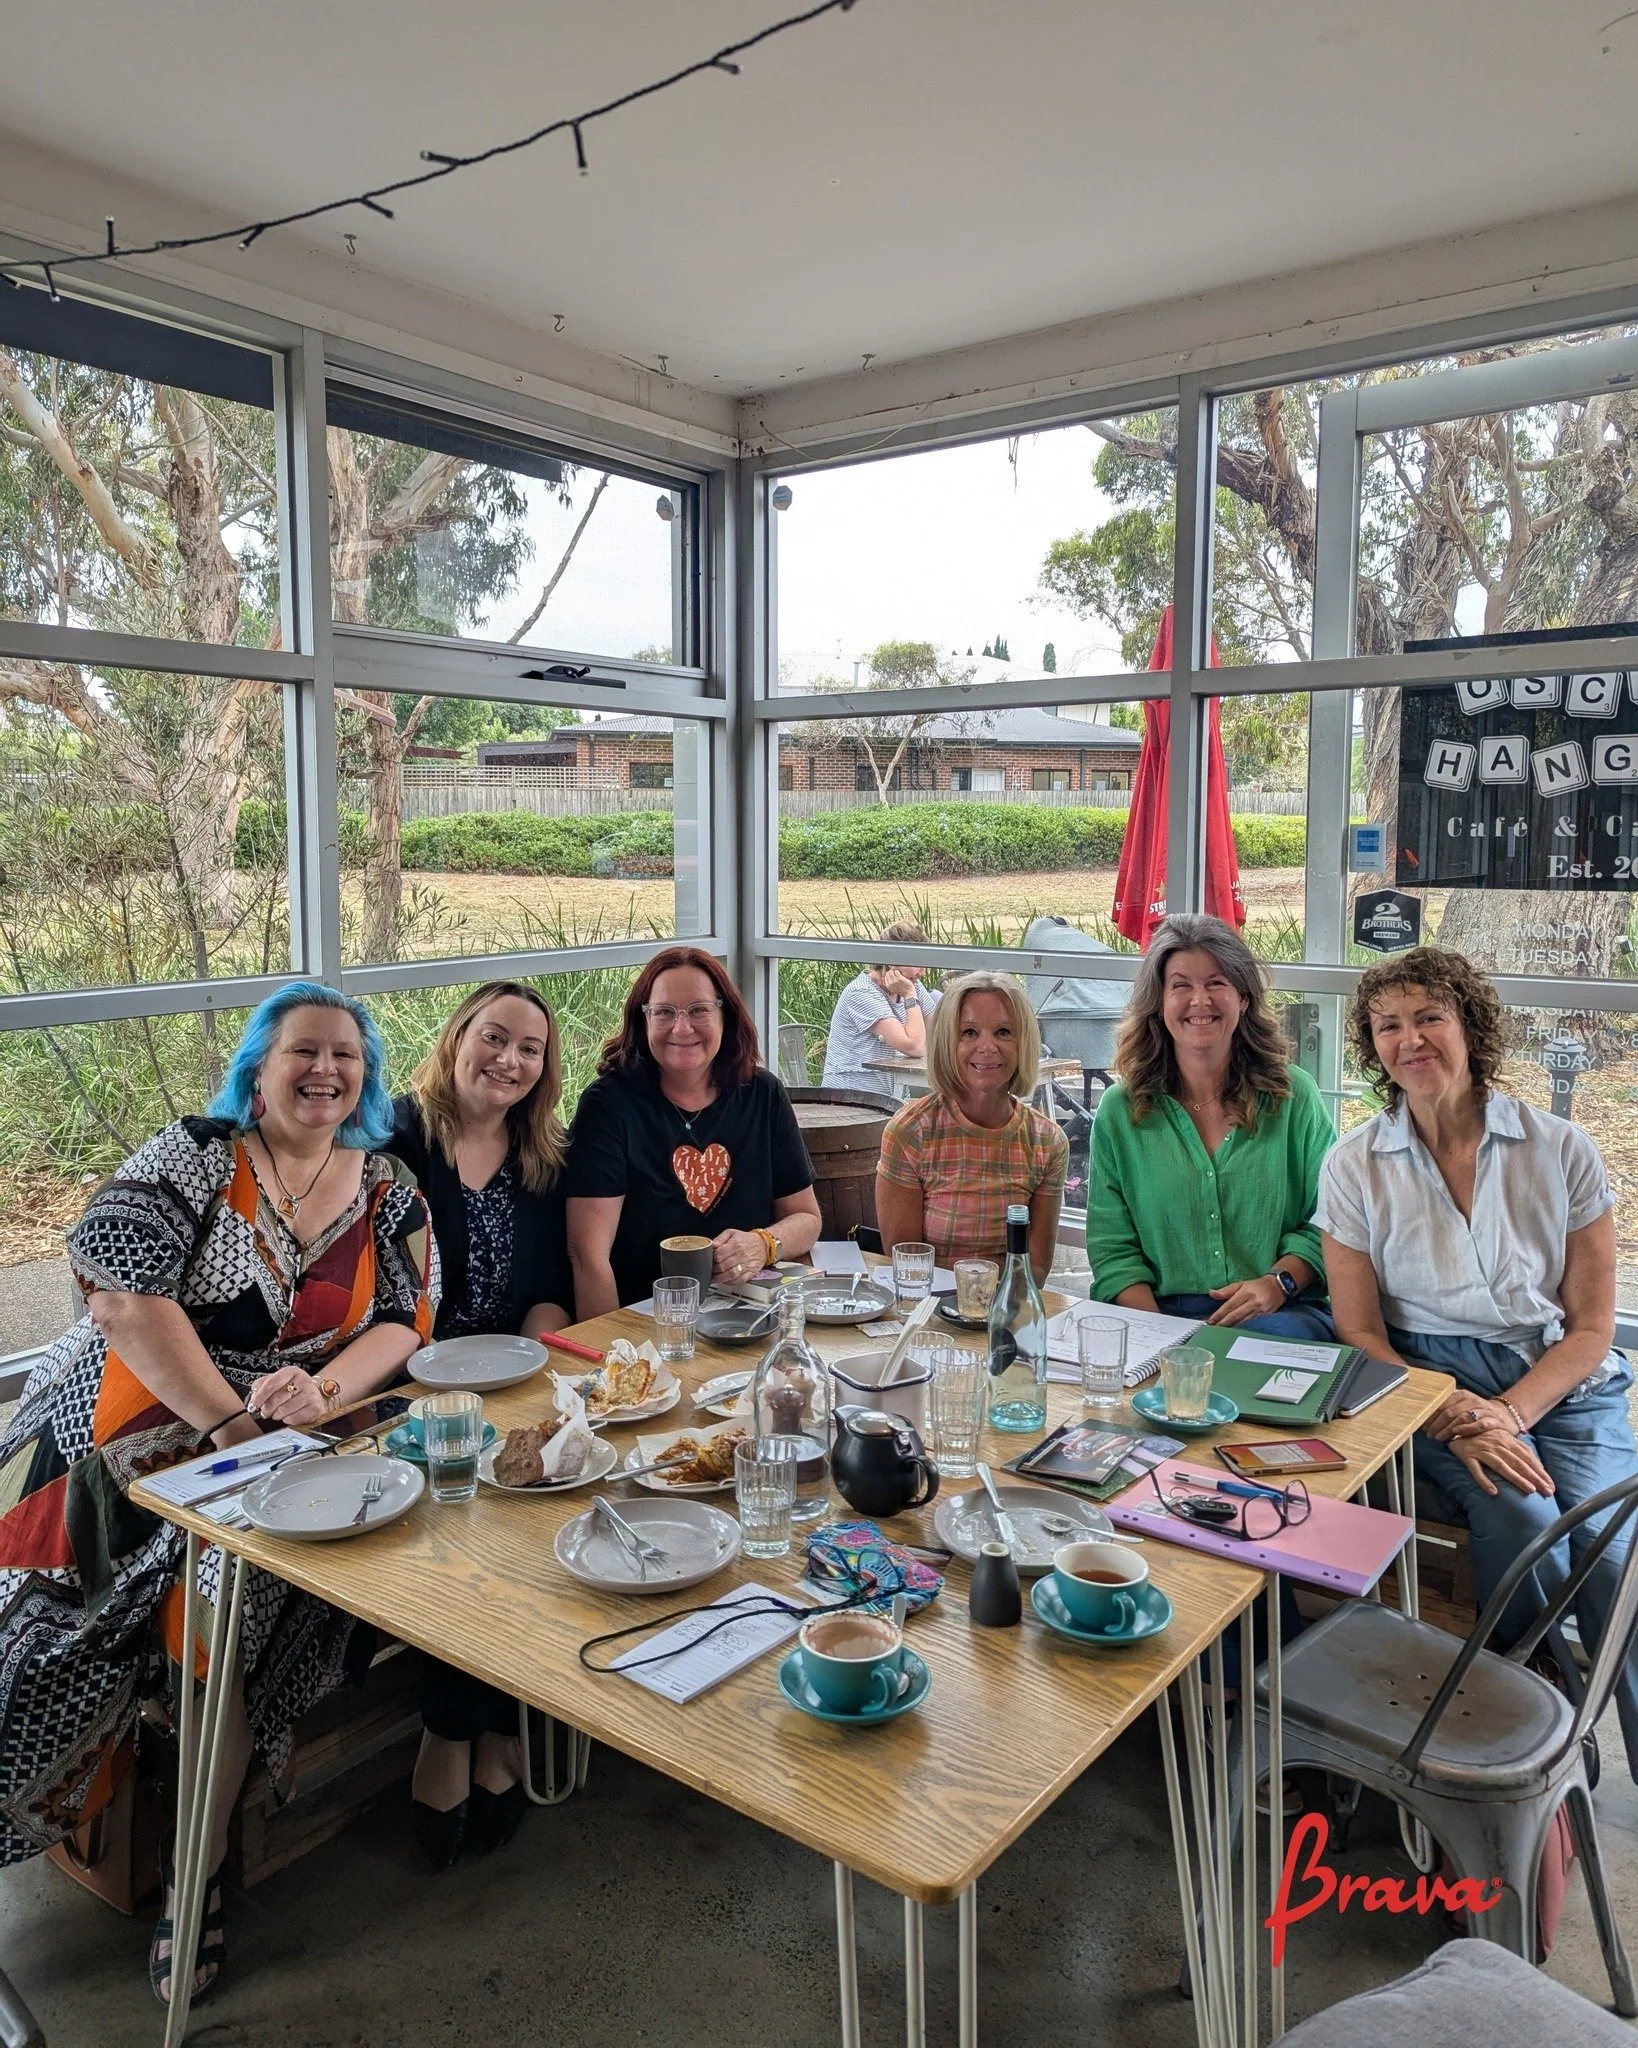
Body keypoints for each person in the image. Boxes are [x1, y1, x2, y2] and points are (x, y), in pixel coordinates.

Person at [0, 983, 437, 2006]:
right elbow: (116, 1289)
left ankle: (190, 1886)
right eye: (303, 1051)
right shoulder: (197, 1153)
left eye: (347, 1055)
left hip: (291, 1435)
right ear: (260, 1064)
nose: (326, 1070)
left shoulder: (386, 1185)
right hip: (140, 1431)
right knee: (90, 1632)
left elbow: (403, 1318)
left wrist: (318, 1390)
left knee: (232, 1616)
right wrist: (233, 1421)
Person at [1317, 946, 1638, 1782]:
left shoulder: (1559, 1148)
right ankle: (1535, 1713)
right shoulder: (1354, 1163)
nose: (1410, 1039)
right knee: (1527, 1524)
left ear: (1470, 1026)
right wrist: (1450, 1409)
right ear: (1372, 1047)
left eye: (1429, 1016)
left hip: (1560, 1381)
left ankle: (1618, 1743)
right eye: (1388, 1026)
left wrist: (1508, 1413)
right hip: (1420, 1376)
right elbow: (1357, 1331)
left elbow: (1593, 1327)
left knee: (1613, 1552)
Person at [385, 981, 574, 1868]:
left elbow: (544, 1291)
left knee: (538, 1507)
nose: (508, 1060)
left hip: (504, 1379)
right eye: (493, 1038)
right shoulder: (396, 1136)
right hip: (397, 1385)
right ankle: (459, 1732)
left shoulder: (541, 1156)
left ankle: (488, 1725)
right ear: (457, 1037)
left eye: (529, 1050)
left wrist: (536, 1371)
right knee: (460, 1531)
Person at [1088, 914, 1334, 1340]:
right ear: (1159, 1003)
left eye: (1216, 982)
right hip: (1155, 1314)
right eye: (1180, 985)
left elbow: (1332, 1220)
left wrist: (1277, 1284)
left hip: (1278, 1313)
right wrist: (1160, 1338)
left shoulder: (1295, 1097)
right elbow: (1113, 1250)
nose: (1199, 1001)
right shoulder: (1121, 1111)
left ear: (1242, 997)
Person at [565, 948, 822, 1312]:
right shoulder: (609, 1105)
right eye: (664, 1012)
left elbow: (807, 1219)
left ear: (725, 1016)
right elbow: (588, 1258)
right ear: (644, 1020)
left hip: (747, 1316)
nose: (681, 1028)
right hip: (645, 1317)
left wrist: (762, 1243)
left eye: (699, 1010)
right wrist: (615, 1355)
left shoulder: (762, 1093)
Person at [875, 970, 1068, 1283]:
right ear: (947, 1042)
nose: (988, 1047)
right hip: (928, 1311)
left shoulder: (1047, 1142)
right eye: (969, 1032)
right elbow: (906, 1263)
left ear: (1024, 1044)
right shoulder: (911, 1131)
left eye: (1004, 1032)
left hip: (1005, 1311)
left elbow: (1035, 1270)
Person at [821, 920, 941, 1095]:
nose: (923, 972)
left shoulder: (912, 985)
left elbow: (938, 1030)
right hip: (851, 1094)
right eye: (917, 964)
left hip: (892, 1092)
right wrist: (909, 996)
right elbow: (914, 1047)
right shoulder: (861, 993)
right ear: (891, 961)